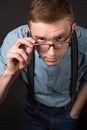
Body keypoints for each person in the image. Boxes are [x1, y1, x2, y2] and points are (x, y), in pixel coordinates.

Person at [0, 0, 87, 129]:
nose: (51, 53)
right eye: (41, 39)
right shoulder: (14, 41)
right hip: (33, 112)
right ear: (29, 31)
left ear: (72, 28)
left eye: (60, 38)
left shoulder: (84, 40)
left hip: (68, 113)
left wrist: (74, 112)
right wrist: (9, 73)